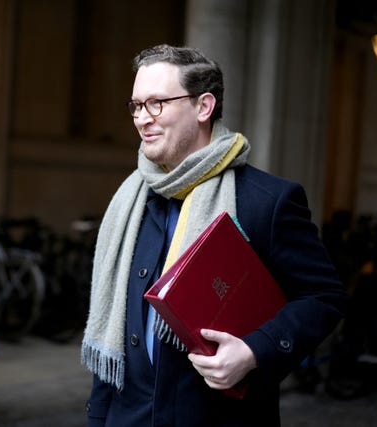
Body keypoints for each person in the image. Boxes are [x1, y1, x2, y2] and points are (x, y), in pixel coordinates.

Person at [81, 44, 348, 426]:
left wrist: (254, 351)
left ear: (204, 107)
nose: (142, 119)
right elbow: (115, 332)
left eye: (157, 103)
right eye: (136, 106)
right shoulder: (128, 202)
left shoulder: (268, 201)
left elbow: (324, 297)